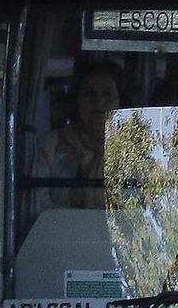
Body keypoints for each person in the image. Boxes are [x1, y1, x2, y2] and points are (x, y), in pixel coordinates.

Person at [34, 61, 124, 207]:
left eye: (107, 95)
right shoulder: (50, 146)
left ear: (121, 102)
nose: (98, 102)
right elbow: (37, 203)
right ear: (76, 101)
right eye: (89, 94)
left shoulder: (135, 148)